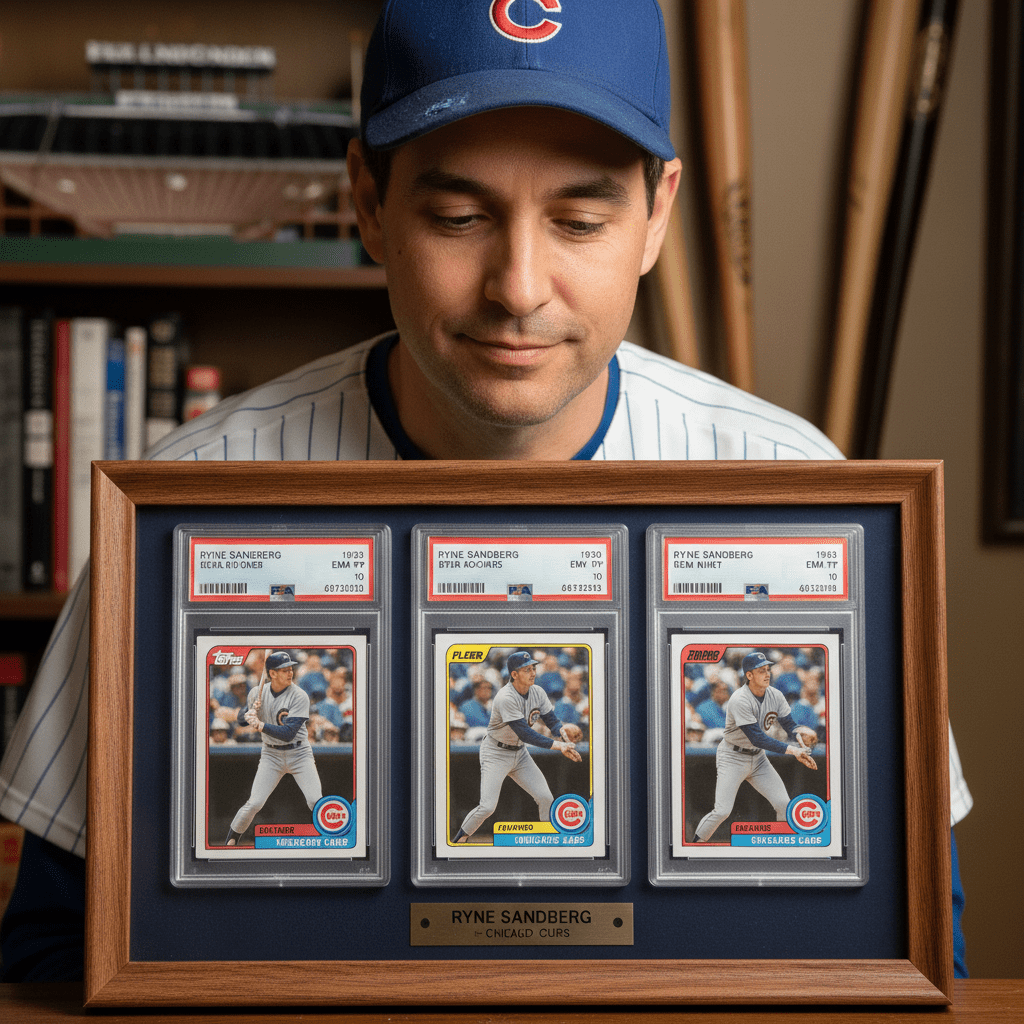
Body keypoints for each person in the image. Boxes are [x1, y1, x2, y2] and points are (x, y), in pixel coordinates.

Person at [0, 0, 970, 980]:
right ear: (369, 203)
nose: (518, 286)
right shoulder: (186, 495)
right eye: (459, 217)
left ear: (656, 216)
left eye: (579, 220)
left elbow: (922, 943)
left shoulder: (799, 486)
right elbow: (51, 947)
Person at [453, 651, 582, 845]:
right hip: (495, 752)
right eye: (527, 669)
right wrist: (559, 745)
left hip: (519, 753)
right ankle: (459, 841)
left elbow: (552, 721)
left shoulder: (538, 692)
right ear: (514, 674)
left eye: (533, 668)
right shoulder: (505, 697)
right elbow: (525, 733)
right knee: (487, 807)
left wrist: (563, 732)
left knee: (545, 797)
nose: (533, 673)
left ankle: (549, 843)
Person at [692, 652, 819, 843]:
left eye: (768, 669)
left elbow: (789, 724)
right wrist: (794, 750)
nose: (767, 674)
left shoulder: (775, 695)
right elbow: (757, 738)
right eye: (761, 671)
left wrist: (800, 733)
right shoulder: (739, 699)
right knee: (722, 811)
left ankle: (782, 851)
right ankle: (695, 846)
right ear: (749, 675)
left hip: (758, 758)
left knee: (784, 804)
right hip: (732, 757)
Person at [223, 651, 323, 847]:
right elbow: (241, 720)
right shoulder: (257, 692)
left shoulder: (299, 695)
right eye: (284, 670)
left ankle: (333, 841)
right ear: (272, 673)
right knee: (254, 803)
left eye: (291, 669)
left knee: (315, 801)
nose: (290, 673)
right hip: (271, 755)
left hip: (299, 754)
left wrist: (260, 725)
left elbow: (289, 733)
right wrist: (249, 712)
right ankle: (230, 843)